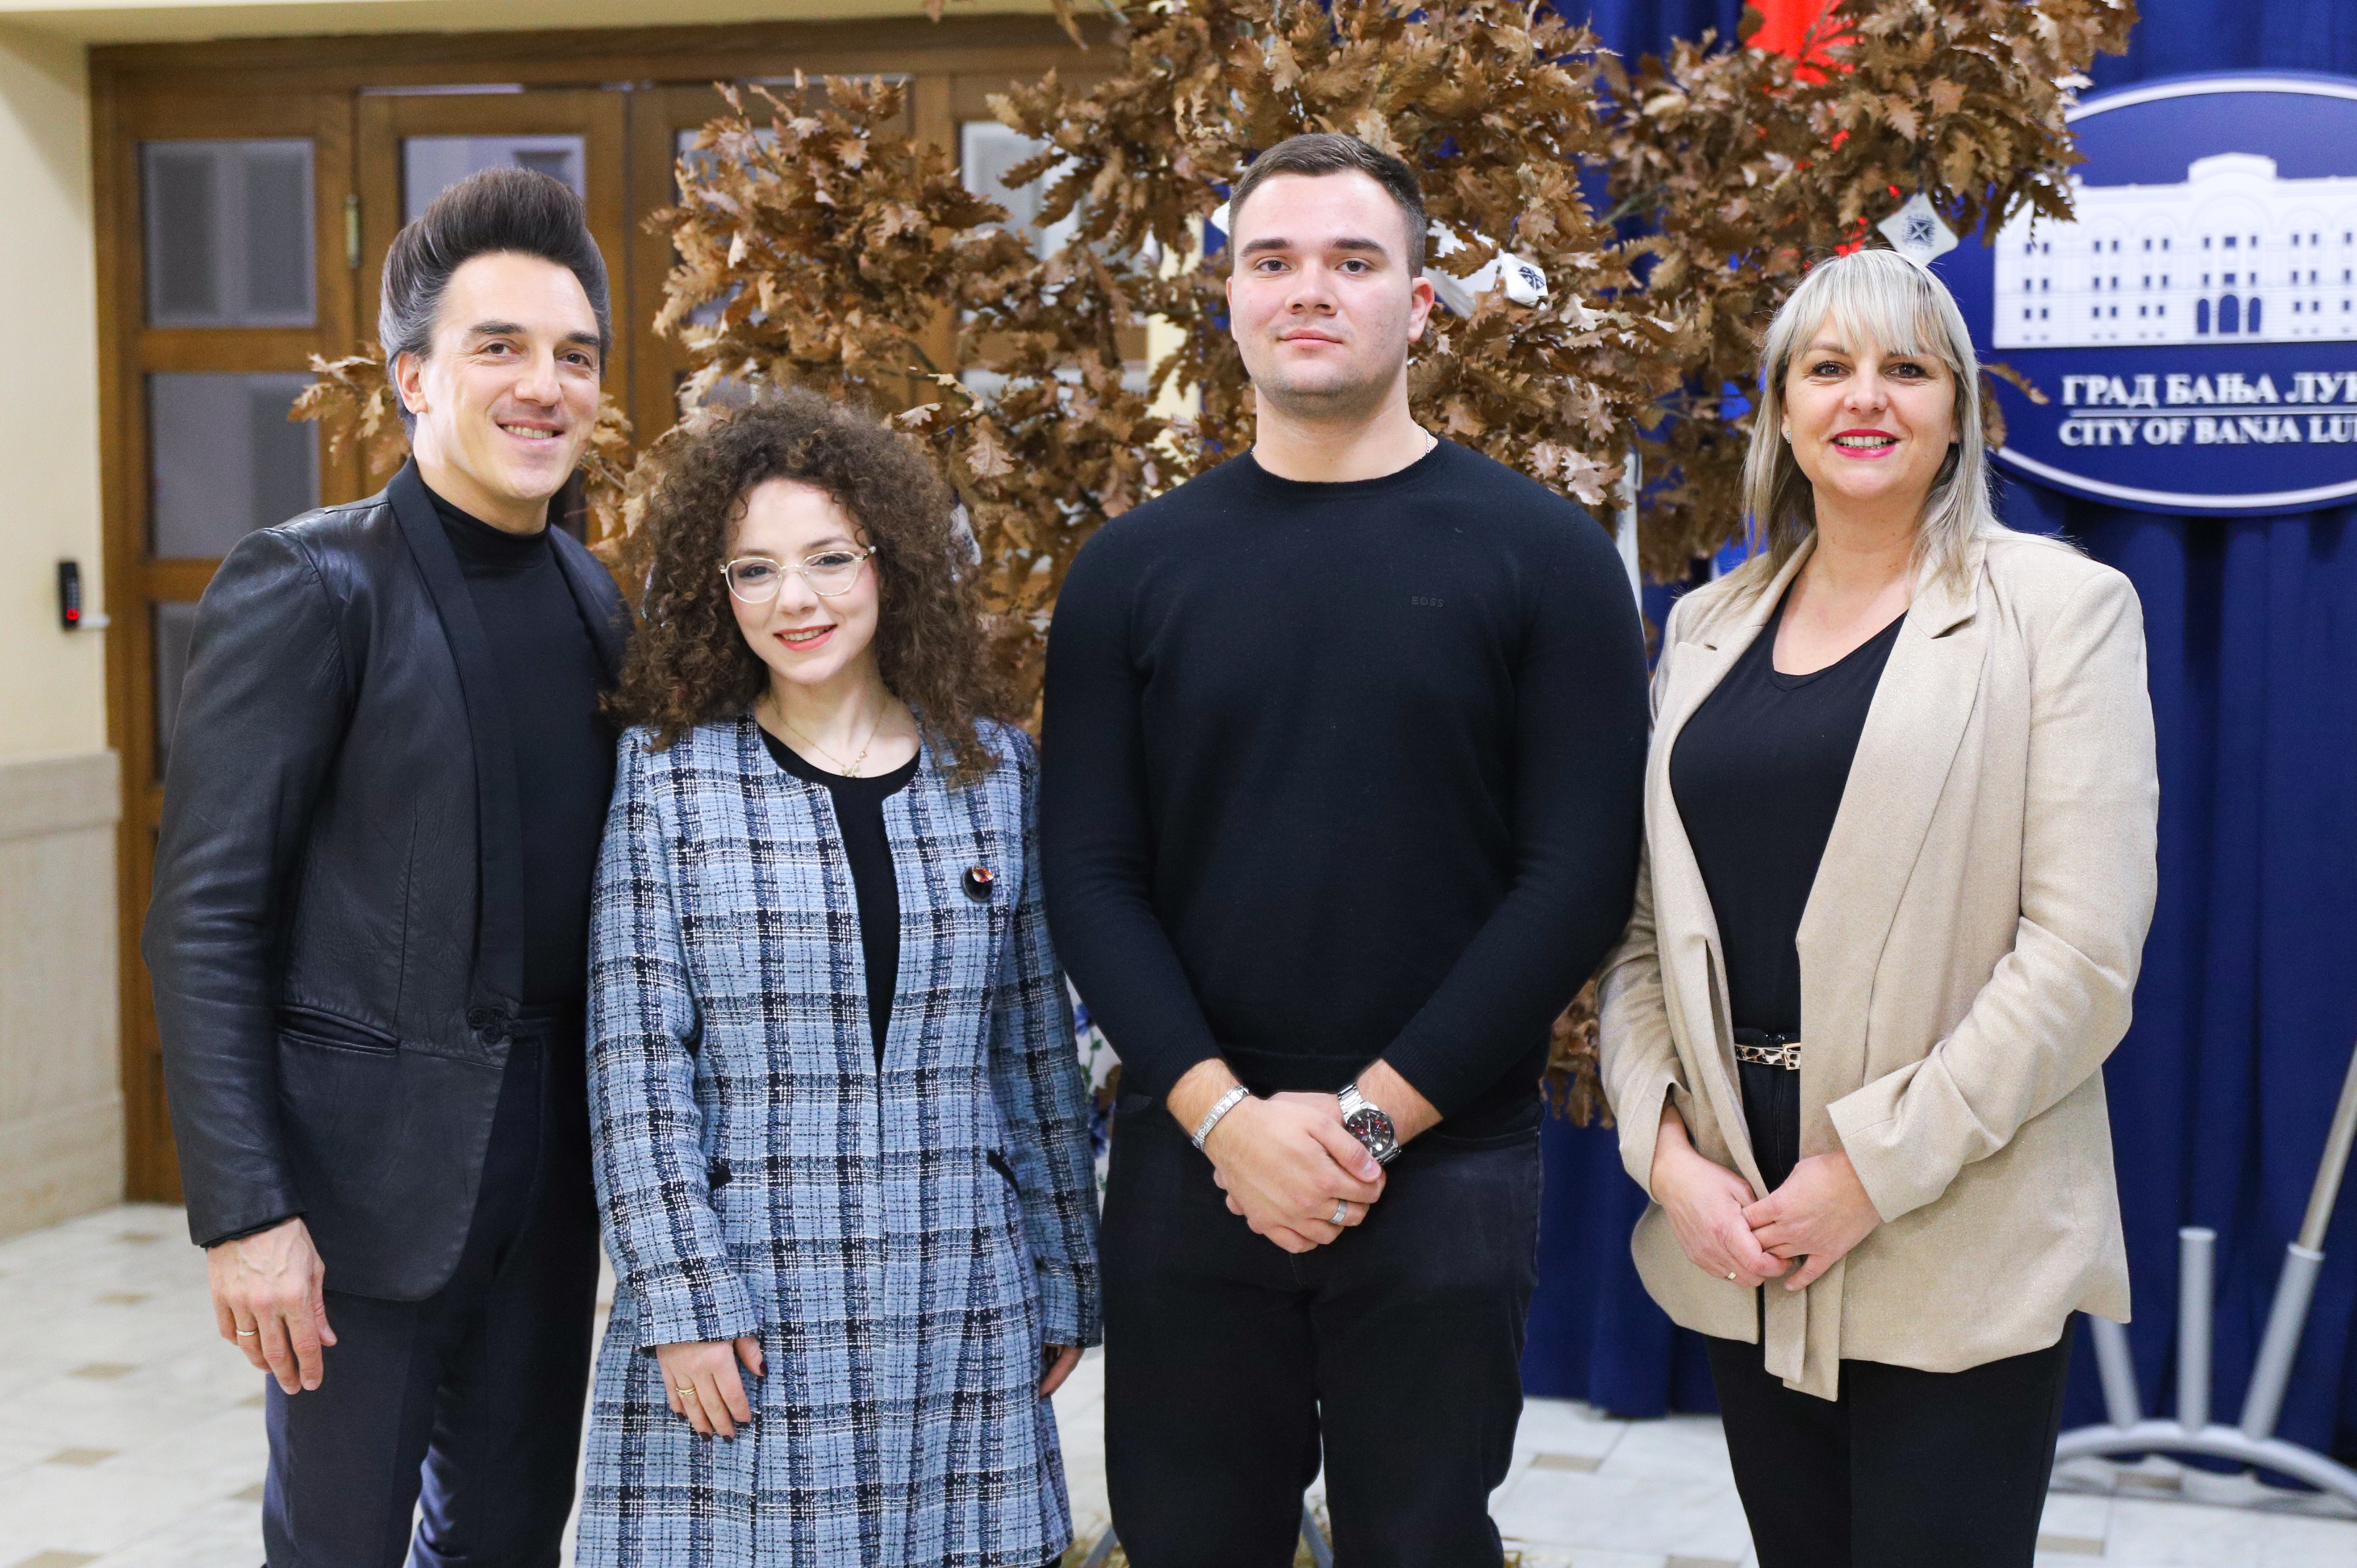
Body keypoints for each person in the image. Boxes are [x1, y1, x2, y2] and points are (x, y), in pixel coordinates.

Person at [1041, 132, 1650, 1567]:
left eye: (1352, 260)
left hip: (1442, 1163)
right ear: (1229, 300)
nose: (1308, 288)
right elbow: (1091, 873)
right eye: (1272, 260)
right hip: (1195, 1154)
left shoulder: (1548, 558)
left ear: (1419, 304)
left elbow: (1571, 878)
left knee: (1421, 1540)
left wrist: (1367, 1123)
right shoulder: (1128, 571)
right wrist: (1227, 1121)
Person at [1596, 247, 2158, 1568]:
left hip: (1950, 1224)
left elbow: (2079, 958)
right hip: (1740, 1226)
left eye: (1905, 368)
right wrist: (1665, 1157)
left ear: (1957, 411)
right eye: (1826, 367)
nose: (1865, 396)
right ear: (1781, 410)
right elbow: (1641, 935)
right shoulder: (1705, 627)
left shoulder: (2060, 611)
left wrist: (1865, 1171)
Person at [143, 167, 627, 1565]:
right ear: (413, 377)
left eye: (574, 355)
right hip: (358, 1189)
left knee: (508, 1540)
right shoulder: (311, 583)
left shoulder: (594, 593)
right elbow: (204, 919)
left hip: (550, 1179)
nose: (544, 385)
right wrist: (248, 1215)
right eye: (500, 347)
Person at [578, 389, 1100, 1568]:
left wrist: (1067, 1274)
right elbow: (634, 1070)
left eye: (828, 558)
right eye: (754, 570)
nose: (795, 599)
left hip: (958, 1279)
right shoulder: (669, 778)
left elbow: (1033, 1053)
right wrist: (682, 1299)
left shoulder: (993, 772)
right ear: (717, 592)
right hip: (746, 1294)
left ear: (889, 563)